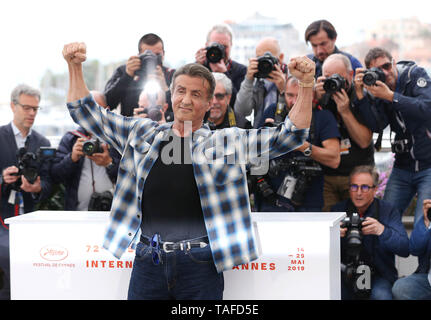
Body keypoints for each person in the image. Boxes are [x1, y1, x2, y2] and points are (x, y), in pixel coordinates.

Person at [62, 41, 314, 300]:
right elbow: (84, 111)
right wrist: (74, 67)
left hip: (201, 264)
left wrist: (306, 84)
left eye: (196, 94)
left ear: (208, 103)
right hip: (149, 260)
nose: (186, 99)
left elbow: (291, 135)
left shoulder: (228, 142)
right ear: (171, 96)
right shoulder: (140, 133)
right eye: (180, 91)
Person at [252, 75, 340, 212]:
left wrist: (301, 146)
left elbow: (334, 159)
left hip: (308, 199)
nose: (293, 102)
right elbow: (253, 156)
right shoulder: (273, 112)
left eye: (299, 96)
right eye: (289, 95)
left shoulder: (323, 117)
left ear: (311, 95)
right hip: (271, 198)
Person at [0, 84, 53, 299]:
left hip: (31, 219)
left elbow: (50, 182)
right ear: (13, 106)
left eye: (36, 109)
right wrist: (2, 178)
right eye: (27, 107)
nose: (32, 113)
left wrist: (38, 187)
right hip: (2, 218)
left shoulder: (43, 143)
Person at [332, 165, 409, 300]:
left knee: (382, 296)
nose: (359, 192)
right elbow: (320, 250)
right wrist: (331, 237)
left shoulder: (388, 211)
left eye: (365, 187)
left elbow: (405, 248)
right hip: (345, 273)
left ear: (375, 190)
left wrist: (382, 230)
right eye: (354, 187)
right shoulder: (338, 211)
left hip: (379, 275)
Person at [314, 54, 374, 212]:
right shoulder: (321, 97)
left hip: (356, 177)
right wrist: (314, 99)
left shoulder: (361, 96)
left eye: (338, 77)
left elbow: (364, 141)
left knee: (358, 224)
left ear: (350, 74)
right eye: (327, 77)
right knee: (329, 227)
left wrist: (345, 112)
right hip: (327, 177)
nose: (333, 82)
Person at [50, 92, 120, 211]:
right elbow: (56, 175)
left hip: (113, 213)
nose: (90, 114)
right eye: (86, 109)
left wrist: (109, 163)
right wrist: (71, 158)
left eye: (95, 108)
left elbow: (132, 175)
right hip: (77, 214)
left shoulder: (118, 138)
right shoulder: (71, 138)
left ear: (107, 110)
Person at [104, 33, 175, 119]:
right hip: (129, 127)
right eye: (147, 55)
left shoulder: (172, 75)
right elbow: (107, 103)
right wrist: (127, 76)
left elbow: (181, 109)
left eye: (156, 55)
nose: (152, 59)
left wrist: (165, 87)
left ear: (163, 54)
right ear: (139, 55)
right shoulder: (124, 71)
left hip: (164, 127)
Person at [234, 37, 288, 128]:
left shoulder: (292, 79)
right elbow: (242, 111)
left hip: (285, 132)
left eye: (269, 58)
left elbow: (298, 111)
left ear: (281, 57)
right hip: (260, 135)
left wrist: (284, 89)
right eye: (261, 58)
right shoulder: (257, 82)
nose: (265, 63)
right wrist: (248, 80)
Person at [195, 23, 247, 108]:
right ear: (206, 46)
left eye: (224, 46)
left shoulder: (241, 70)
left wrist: (225, 74)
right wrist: (197, 67)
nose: (219, 50)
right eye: (215, 46)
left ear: (231, 45)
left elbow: (239, 106)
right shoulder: (199, 67)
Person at [392, 199, 431, 300]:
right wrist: (426, 222)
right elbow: (415, 249)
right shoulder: (428, 219)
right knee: (401, 288)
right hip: (428, 282)